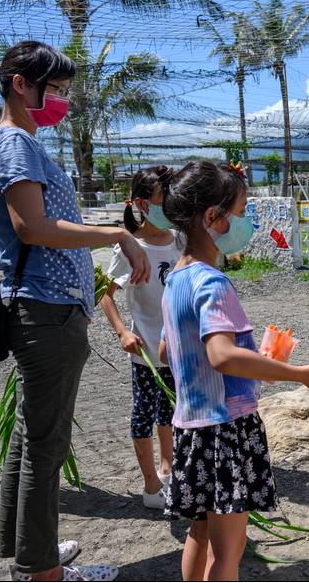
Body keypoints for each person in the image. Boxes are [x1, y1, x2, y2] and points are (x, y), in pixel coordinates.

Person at [0, 40, 150, 582]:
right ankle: (44, 571)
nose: (63, 101)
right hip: (45, 313)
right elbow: (34, 227)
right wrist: (117, 233)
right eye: (57, 90)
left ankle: (30, 554)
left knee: (34, 436)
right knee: (46, 445)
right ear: (20, 85)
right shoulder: (15, 146)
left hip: (48, 308)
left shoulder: (15, 142)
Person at [160, 161, 309, 581]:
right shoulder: (212, 282)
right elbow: (221, 355)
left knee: (200, 534)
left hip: (191, 428)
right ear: (212, 217)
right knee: (229, 553)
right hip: (225, 430)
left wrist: (249, 354)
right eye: (240, 212)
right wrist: (300, 374)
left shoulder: (175, 280)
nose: (246, 221)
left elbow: (170, 351)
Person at [98, 165, 181, 509]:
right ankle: (150, 486)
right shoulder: (130, 249)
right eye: (165, 198)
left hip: (178, 350)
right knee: (144, 411)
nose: (172, 204)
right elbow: (104, 293)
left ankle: (168, 466)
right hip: (144, 351)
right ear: (143, 205)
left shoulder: (182, 241)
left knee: (172, 410)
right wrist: (122, 332)